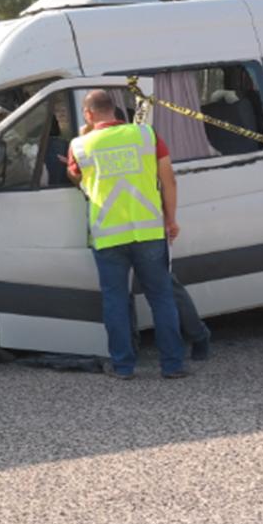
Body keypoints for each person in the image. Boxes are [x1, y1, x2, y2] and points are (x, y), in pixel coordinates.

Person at [66, 90, 188, 379]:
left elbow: (75, 176)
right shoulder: (145, 135)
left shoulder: (80, 145)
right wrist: (170, 219)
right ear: (116, 111)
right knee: (161, 298)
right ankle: (172, 365)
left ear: (88, 114)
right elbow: (168, 179)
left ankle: (123, 366)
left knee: (115, 301)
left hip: (108, 237)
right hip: (149, 232)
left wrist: (84, 137)